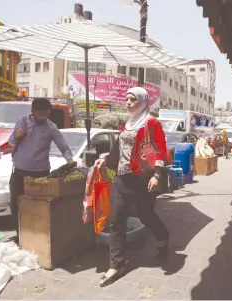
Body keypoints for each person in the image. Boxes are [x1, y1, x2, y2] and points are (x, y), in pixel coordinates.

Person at [95, 87, 169, 287]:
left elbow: (160, 149)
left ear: (143, 102)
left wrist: (156, 174)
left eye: (132, 99)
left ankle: (163, 238)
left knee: (146, 215)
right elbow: (120, 147)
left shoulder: (151, 123)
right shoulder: (126, 124)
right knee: (116, 219)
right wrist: (106, 159)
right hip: (121, 178)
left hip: (143, 178)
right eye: (126, 99)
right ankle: (116, 264)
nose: (127, 103)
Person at [8, 98, 74, 236]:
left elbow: (63, 145)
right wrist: (16, 136)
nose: (43, 117)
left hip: (40, 173)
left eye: (46, 114)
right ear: (33, 112)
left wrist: (69, 160)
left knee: (39, 206)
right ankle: (20, 234)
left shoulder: (51, 127)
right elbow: (12, 141)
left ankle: (39, 235)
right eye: (40, 114)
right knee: (16, 205)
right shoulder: (23, 121)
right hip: (20, 171)